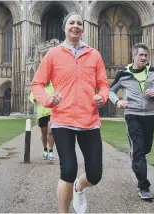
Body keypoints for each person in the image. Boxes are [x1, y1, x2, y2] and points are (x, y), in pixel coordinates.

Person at [31, 12, 109, 214]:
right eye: (71, 23)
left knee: (95, 174)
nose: (75, 26)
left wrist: (102, 96)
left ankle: (79, 187)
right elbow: (37, 84)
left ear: (83, 28)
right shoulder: (53, 54)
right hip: (62, 120)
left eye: (79, 23)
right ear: (65, 27)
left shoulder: (94, 54)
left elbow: (103, 84)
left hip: (89, 120)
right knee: (68, 170)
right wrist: (48, 100)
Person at [108, 43, 154, 200]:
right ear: (133, 56)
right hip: (132, 114)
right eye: (140, 55)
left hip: (149, 115)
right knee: (139, 151)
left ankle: (134, 154)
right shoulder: (123, 74)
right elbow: (110, 91)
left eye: (146, 55)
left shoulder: (152, 72)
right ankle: (144, 186)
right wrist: (117, 102)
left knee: (145, 148)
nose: (144, 57)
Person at [29, 81, 55, 161]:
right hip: (41, 113)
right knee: (43, 133)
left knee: (50, 132)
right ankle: (45, 149)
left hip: (52, 113)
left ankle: (51, 151)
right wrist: (35, 98)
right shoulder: (38, 87)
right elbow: (31, 98)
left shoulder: (53, 85)